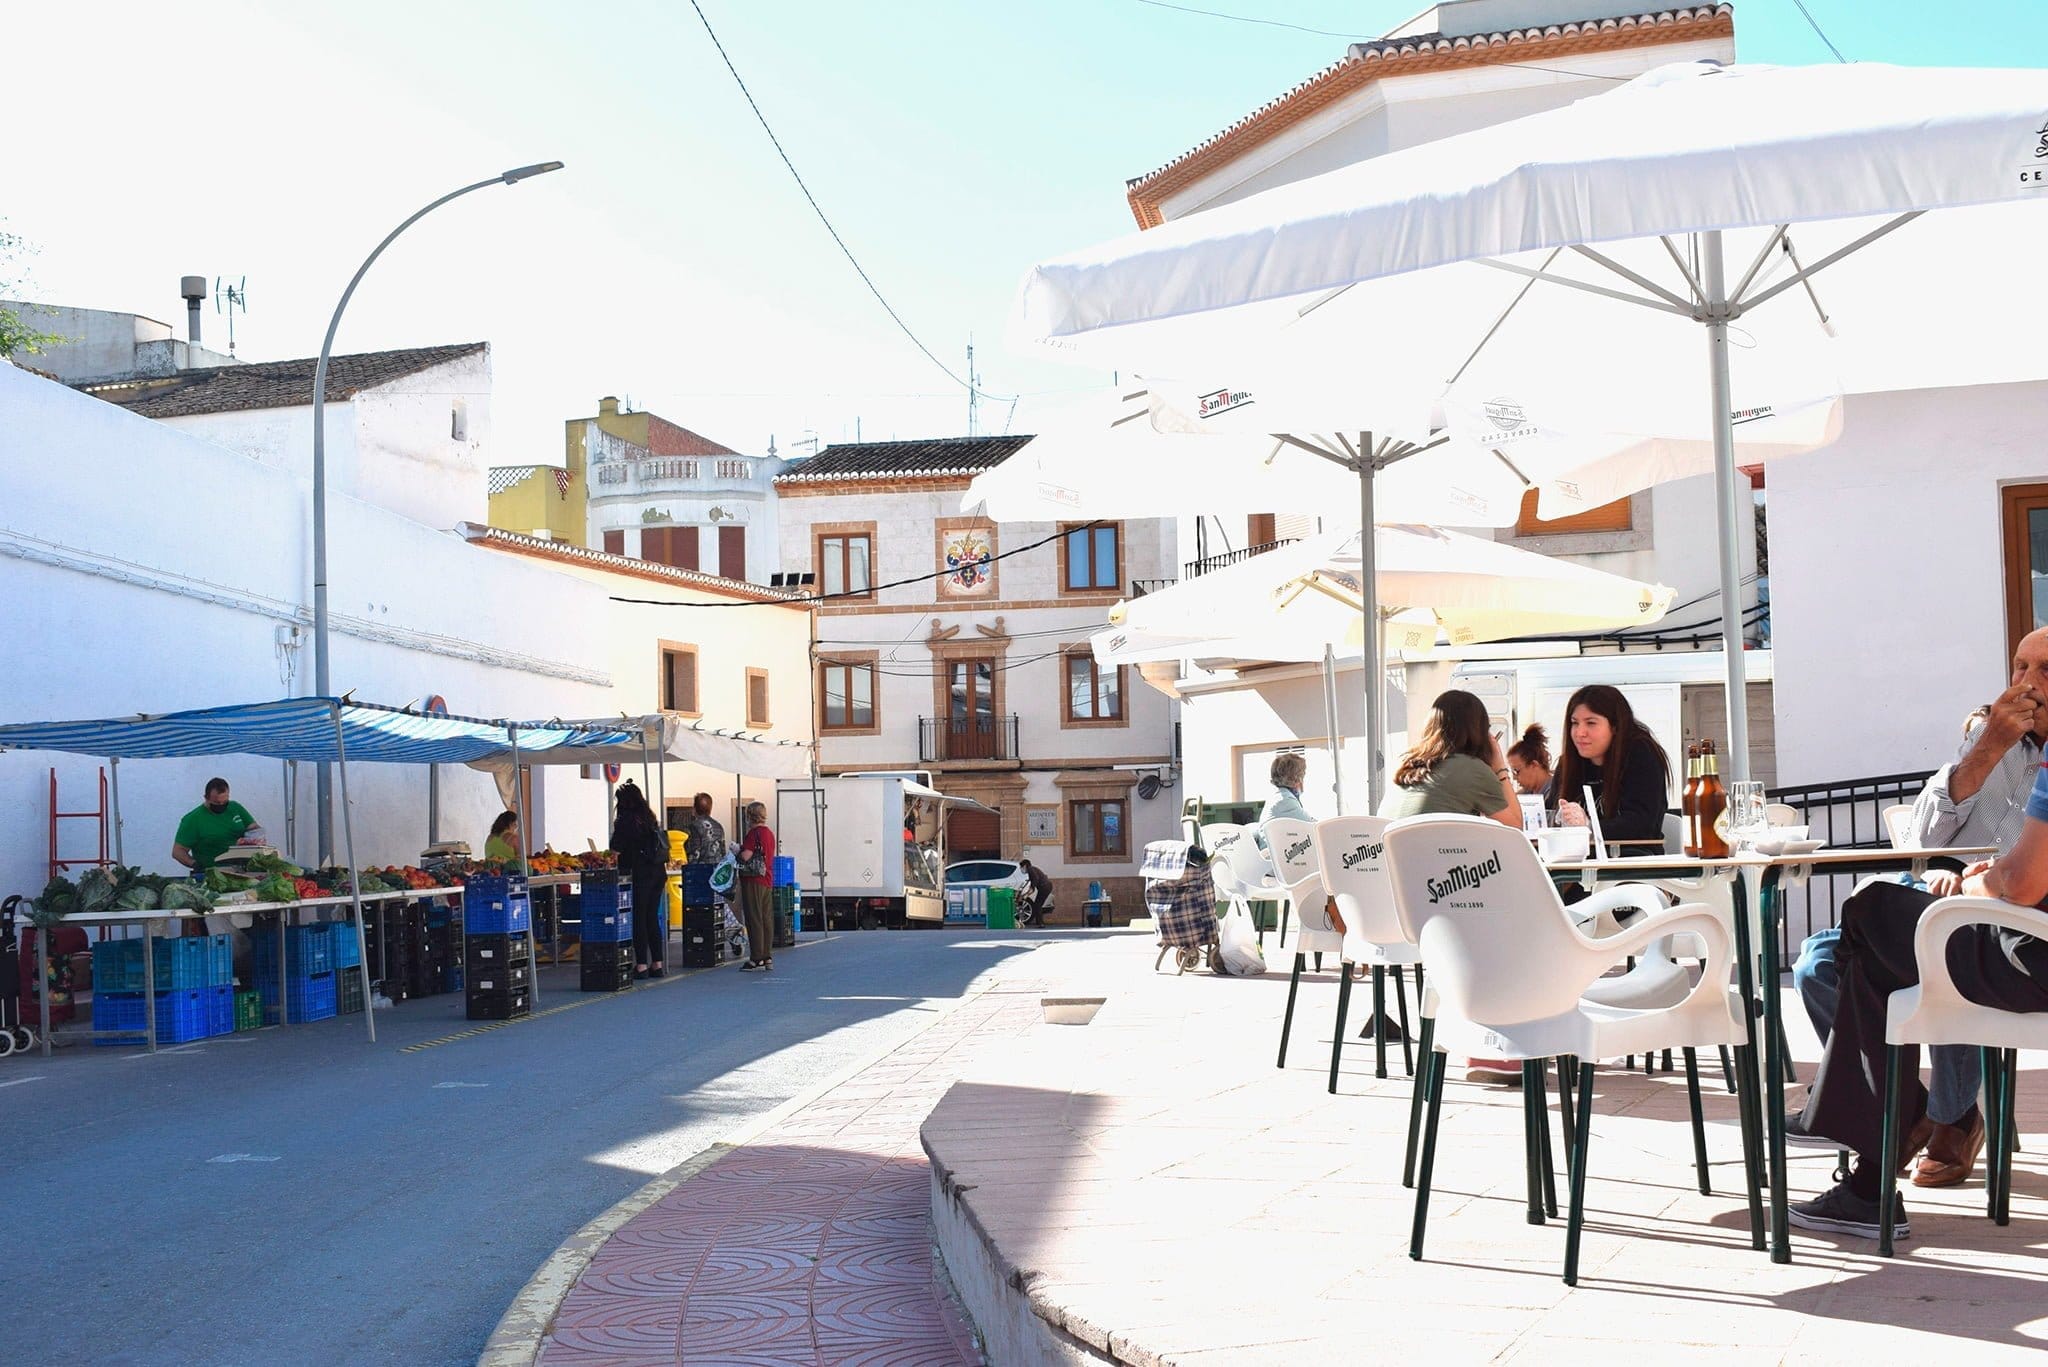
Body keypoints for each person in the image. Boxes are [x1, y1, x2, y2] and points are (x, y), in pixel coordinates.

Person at [1788, 628, 2048, 1188]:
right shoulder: (1988, 733)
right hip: (1940, 888)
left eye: (2044, 671)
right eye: (2019, 667)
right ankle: (1906, 1107)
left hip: (2007, 915)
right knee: (1815, 965)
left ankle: (1951, 1118)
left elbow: (2023, 880)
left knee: (1927, 953)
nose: (2026, 684)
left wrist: (1978, 884)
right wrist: (1987, 749)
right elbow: (1924, 840)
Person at [1545, 684, 1672, 845]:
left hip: (1632, 856)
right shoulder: (1568, 763)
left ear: (1615, 726)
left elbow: (1642, 824)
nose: (1579, 733)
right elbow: (1550, 814)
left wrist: (1589, 827)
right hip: (1575, 855)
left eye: (1591, 723)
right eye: (1575, 723)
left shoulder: (1642, 754)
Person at [1380, 690, 1523, 826]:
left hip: (1388, 843)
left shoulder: (1404, 764)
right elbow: (1515, 827)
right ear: (1479, 731)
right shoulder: (1473, 769)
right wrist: (1500, 769)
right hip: (1433, 844)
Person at [610, 782, 668, 980]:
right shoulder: (650, 817)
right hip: (657, 872)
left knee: (639, 918)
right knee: (652, 917)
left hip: (639, 874)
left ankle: (641, 965)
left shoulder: (625, 820)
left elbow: (615, 848)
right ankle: (657, 964)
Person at [172, 778, 256, 874]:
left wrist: (253, 839)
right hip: (214, 873)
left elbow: (254, 828)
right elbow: (178, 851)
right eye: (216, 803)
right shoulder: (193, 819)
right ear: (206, 797)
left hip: (243, 870)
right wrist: (194, 864)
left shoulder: (235, 808)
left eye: (225, 802)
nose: (221, 805)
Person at [737, 802, 777, 971]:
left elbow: (746, 856)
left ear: (750, 816)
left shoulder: (754, 834)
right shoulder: (769, 833)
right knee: (766, 918)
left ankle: (756, 958)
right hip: (767, 879)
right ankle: (767, 956)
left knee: (754, 918)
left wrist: (737, 852)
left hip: (753, 880)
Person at [1254, 752, 1312, 851]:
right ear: (1296, 778)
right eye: (1303, 775)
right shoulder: (1285, 801)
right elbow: (1314, 827)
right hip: (1274, 857)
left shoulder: (1279, 796)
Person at [1506, 723, 1553, 796]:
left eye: (1517, 771)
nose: (1514, 778)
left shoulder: (1556, 793)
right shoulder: (1525, 794)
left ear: (1534, 765)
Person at [685, 792, 726, 867]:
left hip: (702, 869)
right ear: (710, 808)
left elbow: (694, 852)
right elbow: (723, 851)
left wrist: (690, 867)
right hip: (717, 868)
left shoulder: (694, 826)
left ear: (695, 808)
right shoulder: (719, 826)